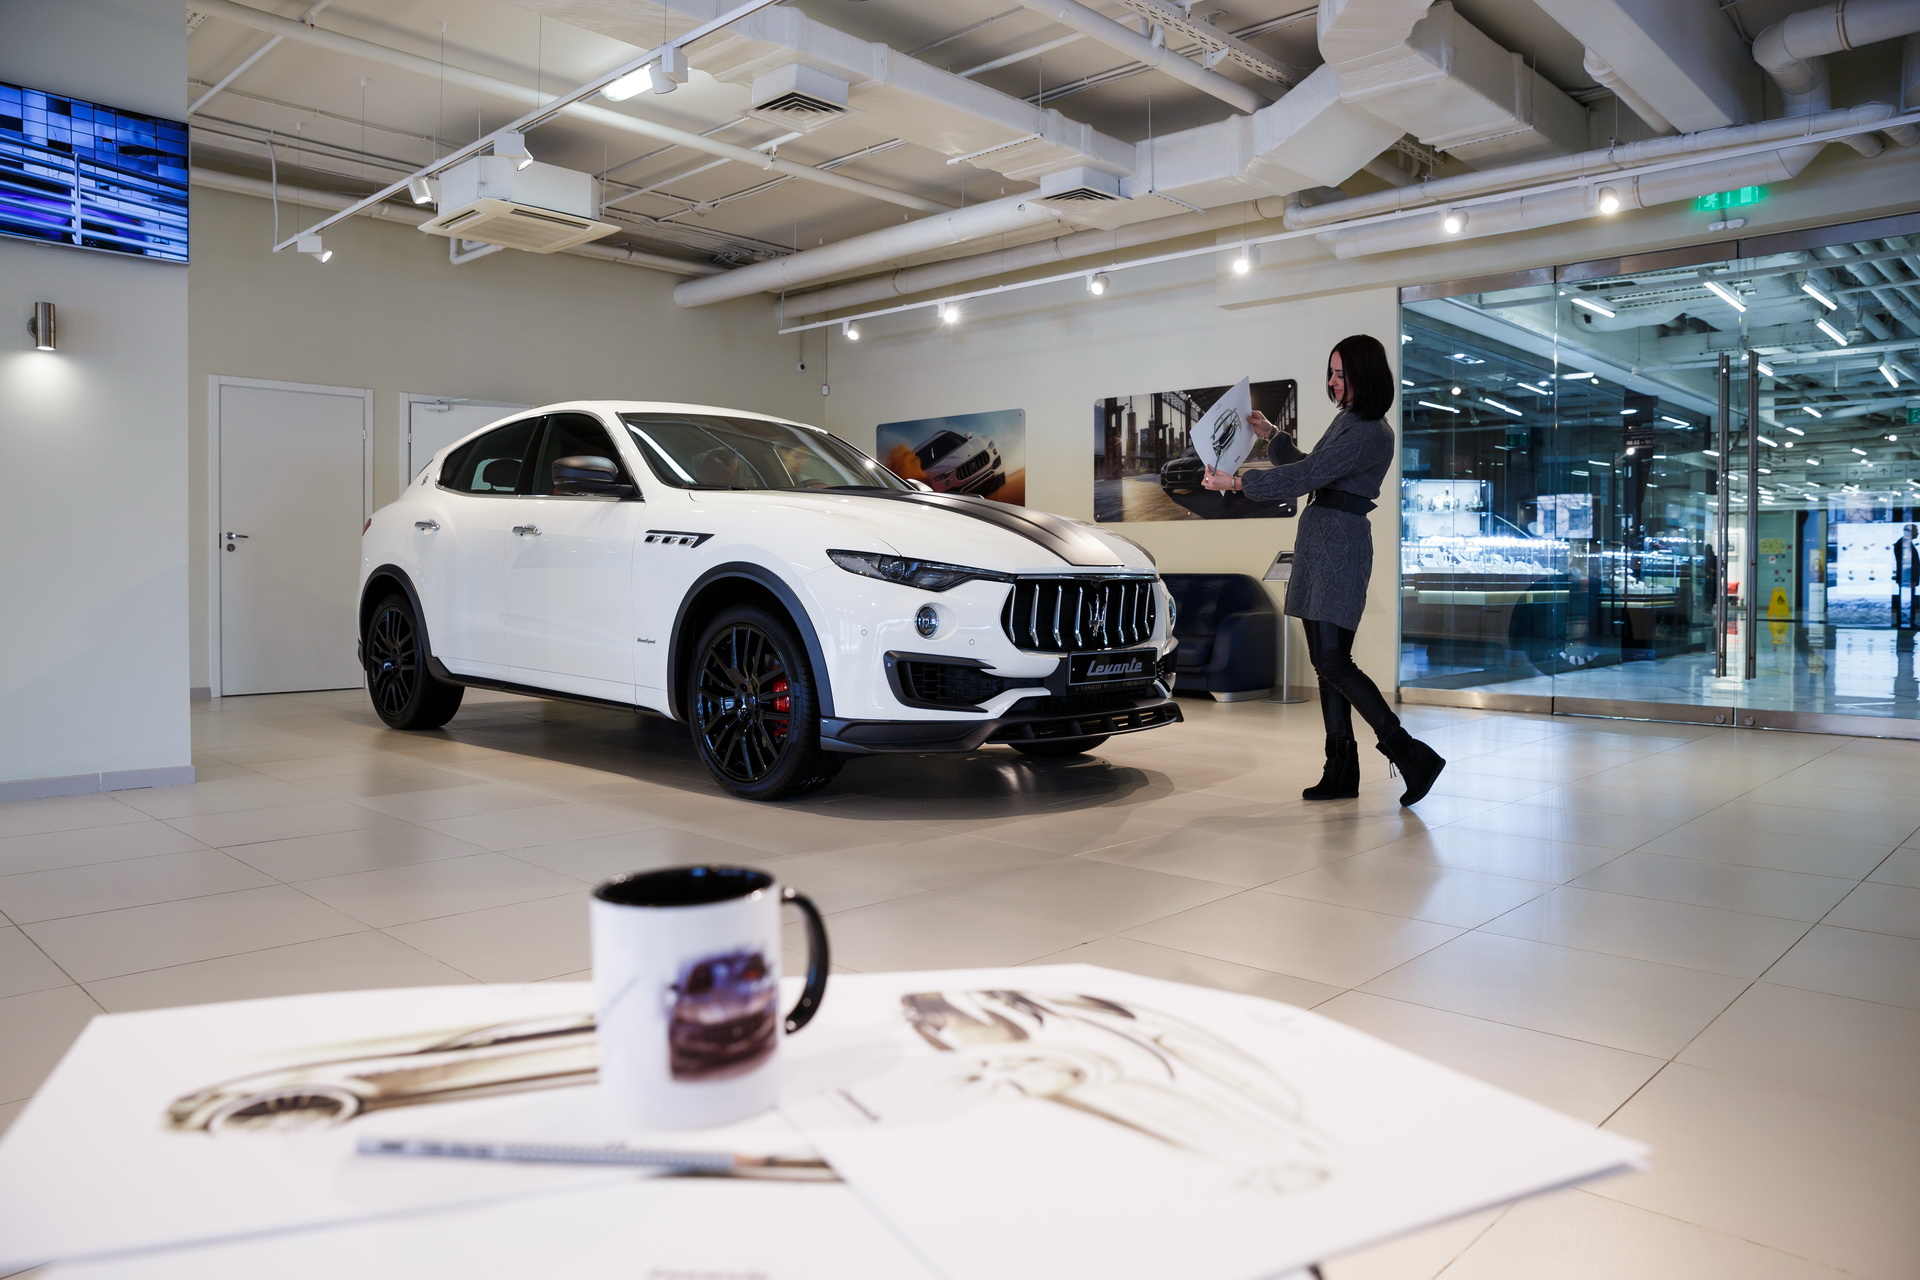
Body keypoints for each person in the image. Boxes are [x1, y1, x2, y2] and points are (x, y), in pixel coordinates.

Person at [1202, 335, 1445, 805]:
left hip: (1339, 542)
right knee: (1325, 665)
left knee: (1334, 661)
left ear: (1365, 376)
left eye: (1341, 374)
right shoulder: (1349, 422)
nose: (1333, 382)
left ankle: (1410, 754)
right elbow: (1312, 468)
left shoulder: (1370, 431)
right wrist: (1273, 437)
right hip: (1322, 537)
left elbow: (1307, 476)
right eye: (1331, 373)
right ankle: (1341, 770)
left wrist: (1236, 482)